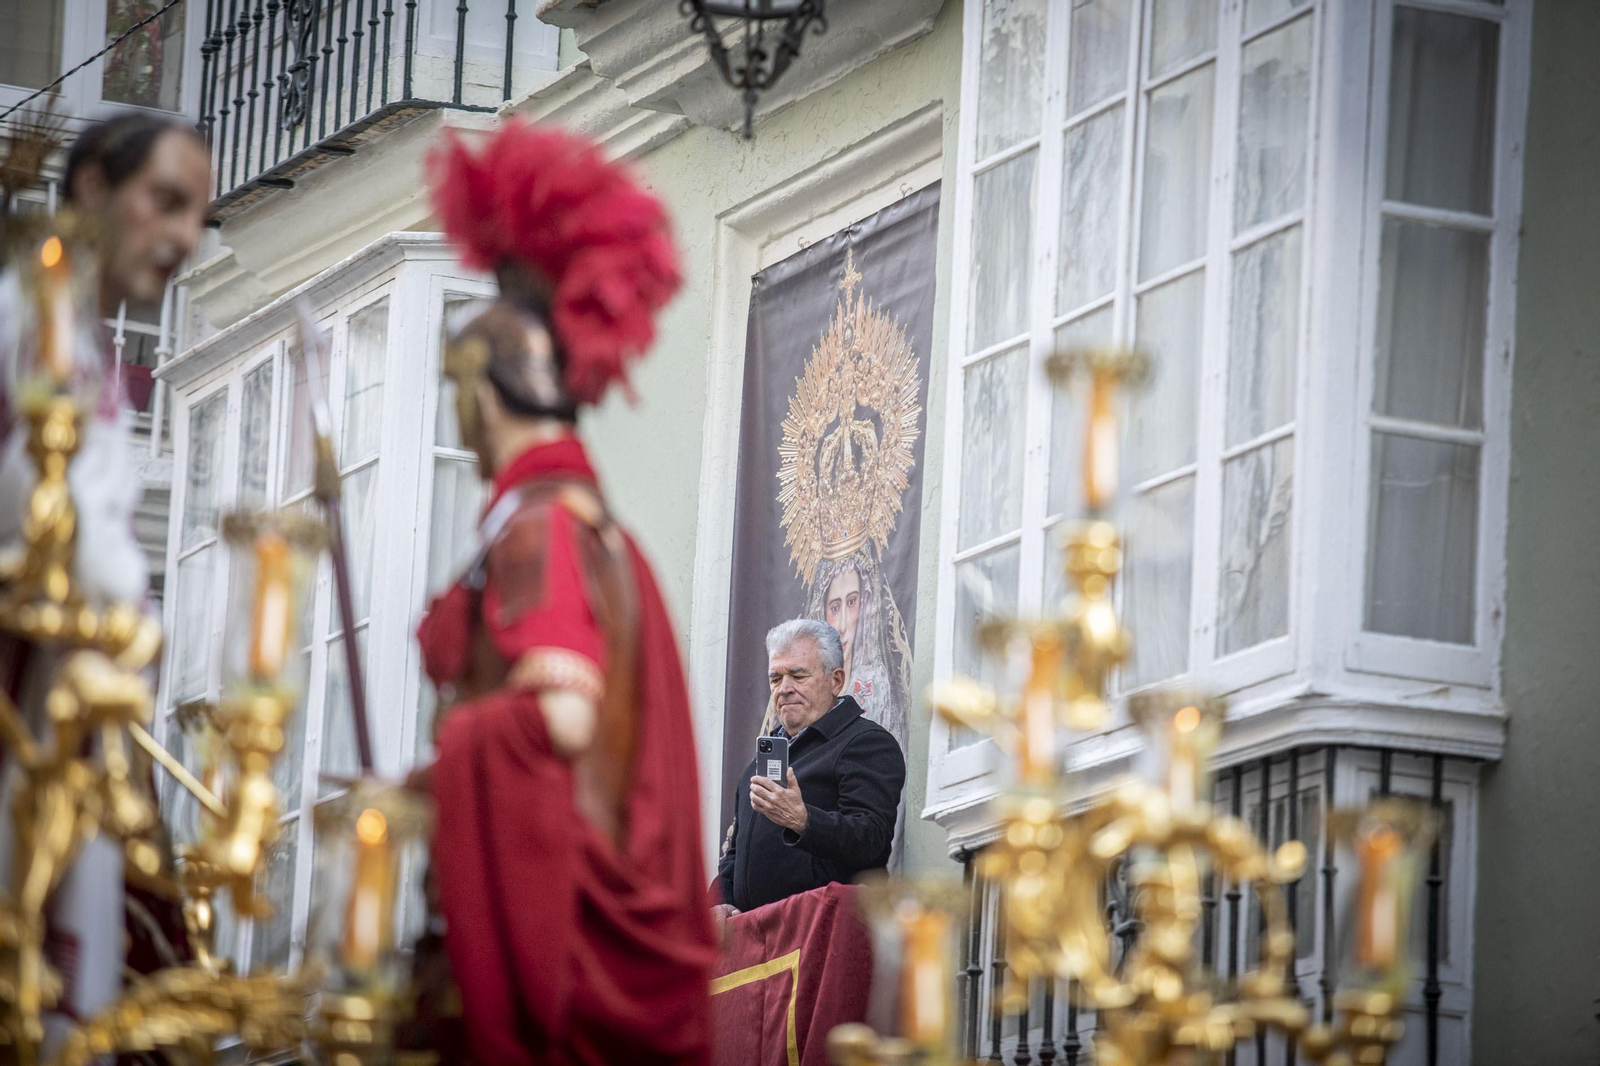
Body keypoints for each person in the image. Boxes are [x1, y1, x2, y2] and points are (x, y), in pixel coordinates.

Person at [407, 120, 715, 1066]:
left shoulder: (538, 528)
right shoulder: (595, 526)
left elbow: (564, 714)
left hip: (565, 967)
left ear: (483, 393)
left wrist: (447, 766)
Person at [0, 111, 209, 1053]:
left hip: (71, 721)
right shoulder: (23, 322)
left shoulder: (84, 349)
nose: (185, 237)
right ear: (92, 188)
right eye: (166, 202)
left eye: (198, 215)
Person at [713, 619, 906, 921]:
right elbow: (734, 856)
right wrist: (720, 902)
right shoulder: (758, 767)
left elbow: (872, 839)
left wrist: (804, 821)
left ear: (836, 680)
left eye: (798, 675)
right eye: (775, 679)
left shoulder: (866, 742)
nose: (784, 689)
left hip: (824, 929)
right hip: (754, 935)